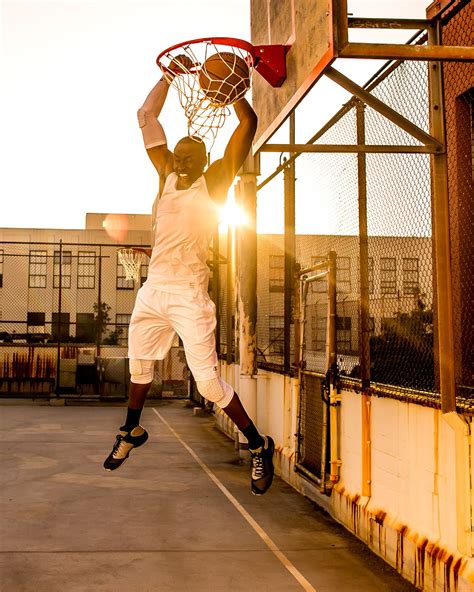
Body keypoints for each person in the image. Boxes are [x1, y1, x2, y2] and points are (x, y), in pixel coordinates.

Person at [103, 61, 274, 496]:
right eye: (176, 156)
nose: (179, 161)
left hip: (190, 295)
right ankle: (131, 432)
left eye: (187, 157)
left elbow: (249, 122)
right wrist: (168, 77)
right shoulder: (166, 176)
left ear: (204, 160)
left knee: (209, 383)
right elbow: (146, 117)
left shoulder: (215, 180)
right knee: (139, 367)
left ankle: (258, 445)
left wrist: (230, 86)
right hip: (154, 290)